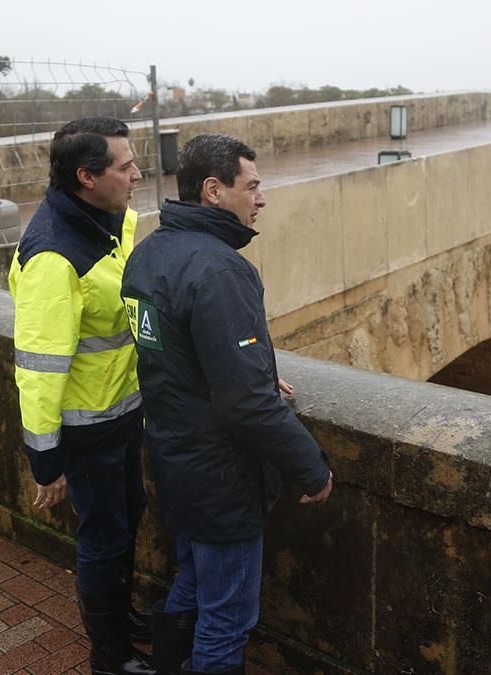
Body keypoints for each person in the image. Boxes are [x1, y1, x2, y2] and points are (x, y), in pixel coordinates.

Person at [121, 134, 333, 675]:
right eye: (253, 185)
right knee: (227, 618)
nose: (261, 198)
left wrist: (259, 371)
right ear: (214, 190)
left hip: (175, 459)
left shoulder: (149, 254)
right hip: (221, 478)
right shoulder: (219, 270)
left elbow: (177, 360)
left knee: (191, 581)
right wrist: (310, 468)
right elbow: (244, 405)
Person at [9, 117, 155, 675]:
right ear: (86, 177)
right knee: (103, 534)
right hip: (86, 425)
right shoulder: (54, 255)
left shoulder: (107, 223)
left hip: (121, 410)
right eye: (125, 166)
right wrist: (46, 460)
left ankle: (122, 616)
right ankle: (109, 655)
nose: (138, 174)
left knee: (129, 514)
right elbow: (39, 367)